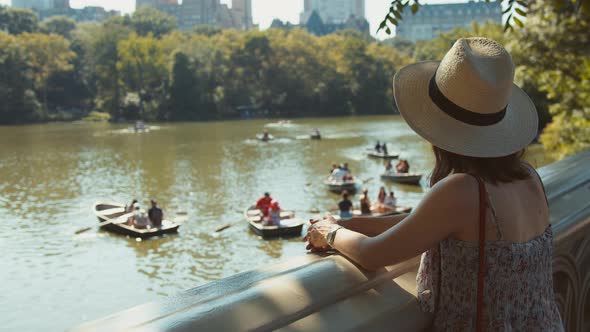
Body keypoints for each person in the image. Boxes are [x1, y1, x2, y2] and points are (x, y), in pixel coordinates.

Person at [305, 38, 563, 330]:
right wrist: (351, 223)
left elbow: (373, 254)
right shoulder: (529, 177)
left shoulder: (462, 189)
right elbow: (424, 223)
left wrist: (330, 232)